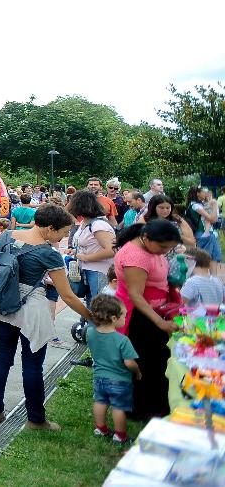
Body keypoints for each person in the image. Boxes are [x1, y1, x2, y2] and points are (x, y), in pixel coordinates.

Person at [0, 204, 92, 430]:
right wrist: (90, 316)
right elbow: (68, 297)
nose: (63, 238)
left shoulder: (7, 236)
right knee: (32, 366)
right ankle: (36, 419)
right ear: (50, 228)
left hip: (1, 304)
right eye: (62, 233)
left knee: (1, 357)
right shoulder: (48, 254)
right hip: (30, 311)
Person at [112, 219, 182, 421]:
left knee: (157, 363)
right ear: (146, 238)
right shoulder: (136, 257)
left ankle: (155, 406)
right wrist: (160, 323)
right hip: (139, 317)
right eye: (162, 247)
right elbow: (135, 295)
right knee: (146, 365)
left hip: (152, 314)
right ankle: (142, 410)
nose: (163, 251)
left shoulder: (148, 249)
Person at [85, 294, 140, 444]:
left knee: (100, 402)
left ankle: (101, 429)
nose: (125, 318)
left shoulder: (90, 334)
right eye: (123, 315)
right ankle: (120, 435)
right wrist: (137, 372)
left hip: (99, 377)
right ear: (114, 319)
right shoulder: (122, 340)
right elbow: (129, 363)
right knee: (118, 407)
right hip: (119, 380)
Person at [69, 190, 116, 303]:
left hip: (99, 271)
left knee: (99, 304)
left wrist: (86, 257)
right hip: (88, 269)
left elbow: (111, 250)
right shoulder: (86, 222)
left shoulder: (98, 225)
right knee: (91, 302)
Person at [185, 186, 221, 271]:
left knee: (214, 256)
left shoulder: (200, 204)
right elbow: (212, 219)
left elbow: (213, 219)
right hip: (203, 234)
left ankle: (213, 279)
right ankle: (201, 278)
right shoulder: (195, 205)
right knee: (204, 258)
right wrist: (215, 205)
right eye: (203, 192)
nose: (206, 193)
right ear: (197, 193)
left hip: (208, 234)